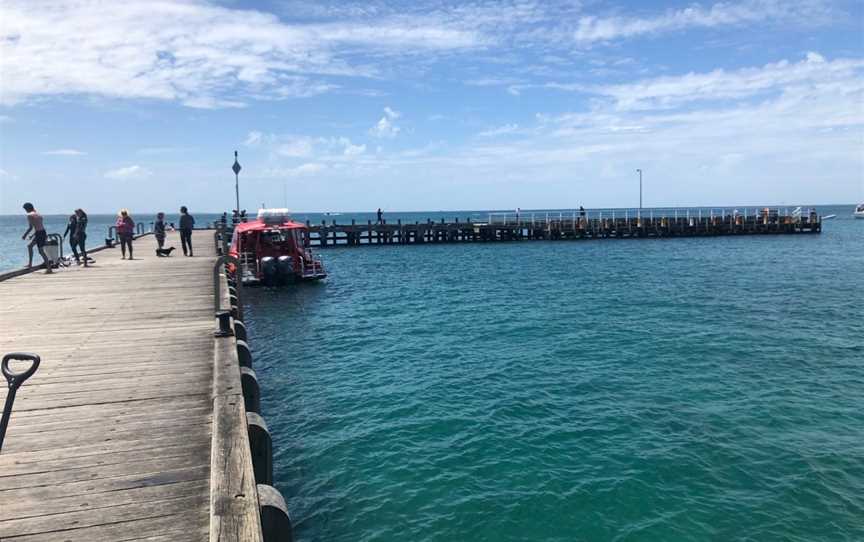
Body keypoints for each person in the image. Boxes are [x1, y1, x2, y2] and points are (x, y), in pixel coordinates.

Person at [21, 202, 52, 273]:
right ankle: (30, 264)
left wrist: (24, 235)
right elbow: (39, 227)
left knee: (41, 251)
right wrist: (32, 235)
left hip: (39, 233)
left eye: (25, 209)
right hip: (42, 232)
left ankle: (49, 268)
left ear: (27, 208)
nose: (25, 211)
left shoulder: (29, 215)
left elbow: (31, 227)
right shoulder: (38, 214)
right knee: (30, 246)